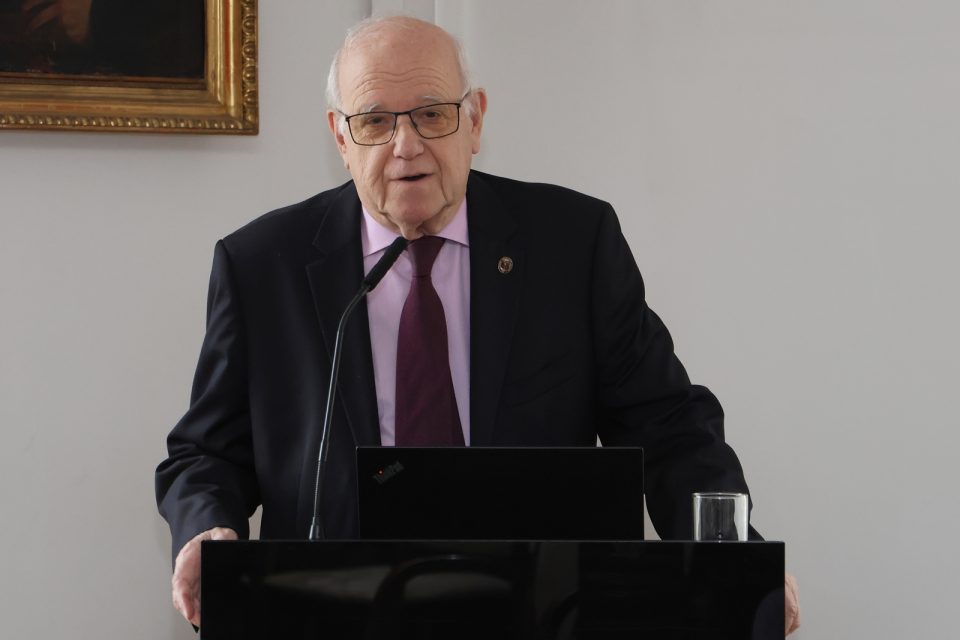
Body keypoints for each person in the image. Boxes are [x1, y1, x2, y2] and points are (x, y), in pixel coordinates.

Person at [155, 15, 801, 635]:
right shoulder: (262, 265)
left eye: (432, 114)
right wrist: (206, 528)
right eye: (375, 121)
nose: (406, 146)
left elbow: (668, 426)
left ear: (475, 120)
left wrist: (731, 555)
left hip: (542, 613)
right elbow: (207, 453)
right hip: (329, 616)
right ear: (340, 138)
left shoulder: (572, 245)